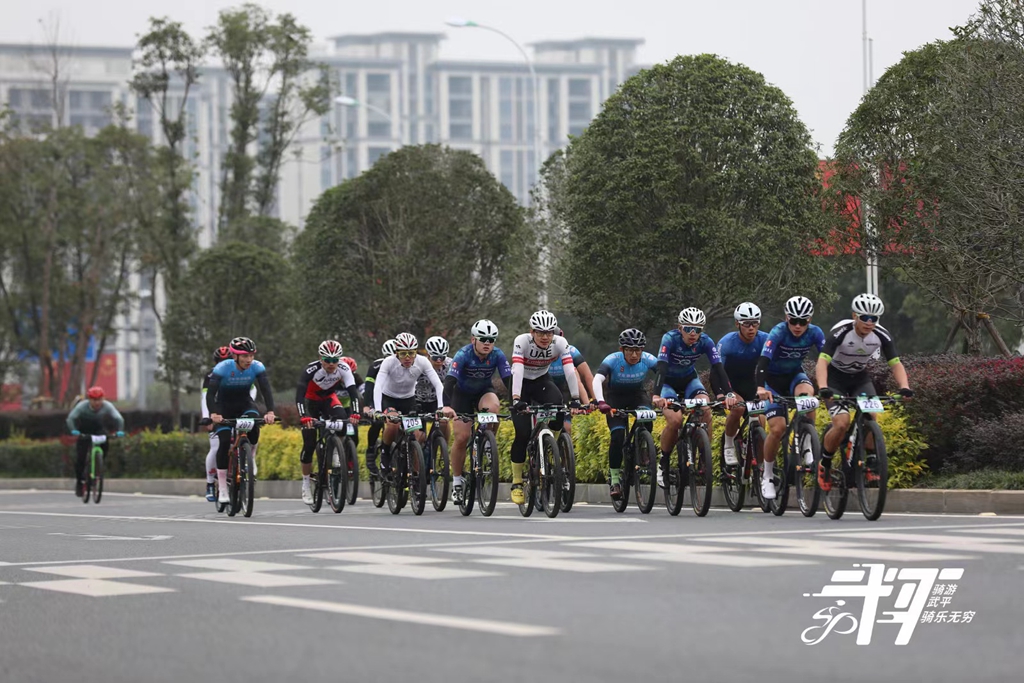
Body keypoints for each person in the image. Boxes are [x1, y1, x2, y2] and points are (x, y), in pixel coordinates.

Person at [815, 293, 913, 490]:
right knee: (842, 423)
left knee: (871, 415)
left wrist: (905, 387)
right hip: (835, 379)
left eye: (874, 319)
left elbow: (895, 363)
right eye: (865, 318)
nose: (869, 323)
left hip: (859, 378)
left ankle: (870, 459)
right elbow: (822, 361)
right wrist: (823, 387)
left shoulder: (881, 335)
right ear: (855, 316)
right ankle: (824, 463)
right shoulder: (841, 332)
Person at [754, 296, 825, 500]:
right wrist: (759, 387)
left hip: (795, 376)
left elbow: (826, 360)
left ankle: (806, 442)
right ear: (786, 317)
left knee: (808, 397)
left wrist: (828, 385)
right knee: (777, 429)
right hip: (772, 382)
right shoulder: (778, 332)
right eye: (793, 320)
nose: (797, 326)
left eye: (803, 322)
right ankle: (767, 475)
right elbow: (763, 361)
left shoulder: (815, 333)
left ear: (809, 320)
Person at [651, 307, 731, 488]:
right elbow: (661, 368)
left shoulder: (705, 341)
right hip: (668, 384)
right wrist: (656, 395)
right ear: (680, 328)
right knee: (675, 421)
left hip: (689, 381)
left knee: (705, 409)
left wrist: (729, 393)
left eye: (698, 329)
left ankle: (704, 457)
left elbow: (718, 368)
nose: (693, 333)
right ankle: (663, 463)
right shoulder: (669, 339)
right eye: (688, 328)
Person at [509, 310, 582, 505]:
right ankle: (517, 482)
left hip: (542, 381)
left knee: (559, 407)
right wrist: (516, 399)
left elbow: (569, 369)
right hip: (521, 385)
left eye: (549, 333)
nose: (545, 337)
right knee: (523, 433)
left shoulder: (560, 343)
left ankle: (552, 446)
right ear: (531, 332)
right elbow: (517, 370)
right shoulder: (522, 341)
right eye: (540, 332)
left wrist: (575, 398)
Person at [443, 319, 512, 504]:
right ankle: (457, 482)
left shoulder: (497, 354)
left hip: (483, 392)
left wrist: (517, 402)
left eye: (491, 339)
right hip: (462, 395)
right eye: (483, 339)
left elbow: (508, 380)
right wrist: (447, 405)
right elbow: (449, 381)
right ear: (473, 339)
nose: (487, 343)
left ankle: (488, 442)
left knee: (494, 407)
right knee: (462, 437)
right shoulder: (463, 355)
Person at [206, 337, 276, 505]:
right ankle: (222, 487)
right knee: (223, 442)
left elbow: (266, 390)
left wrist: (270, 411)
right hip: (223, 407)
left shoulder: (257, 367)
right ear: (235, 356)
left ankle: (249, 457)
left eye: (251, 355)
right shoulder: (222, 368)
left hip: (245, 404)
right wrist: (214, 413)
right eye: (244, 356)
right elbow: (210, 394)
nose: (249, 360)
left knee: (254, 427)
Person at [372, 333, 455, 473]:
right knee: (393, 425)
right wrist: (378, 410)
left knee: (417, 436)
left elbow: (438, 385)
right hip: (389, 398)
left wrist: (441, 407)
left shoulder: (422, 361)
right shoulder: (388, 362)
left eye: (411, 353)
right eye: (403, 353)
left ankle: (415, 474)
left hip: (409, 400)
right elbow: (378, 386)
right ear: (396, 353)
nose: (408, 357)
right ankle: (385, 453)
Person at [593, 328, 659, 499]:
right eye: (630, 350)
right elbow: (597, 379)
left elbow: (664, 375)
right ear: (622, 349)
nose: (635, 355)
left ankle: (644, 446)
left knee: (648, 416)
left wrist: (665, 394)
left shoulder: (648, 359)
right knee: (617, 437)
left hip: (638, 395)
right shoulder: (612, 360)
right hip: (615, 398)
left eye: (638, 350)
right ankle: (615, 479)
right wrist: (601, 402)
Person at [296, 340, 362, 505]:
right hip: (311, 402)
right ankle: (305, 484)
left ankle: (335, 453)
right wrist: (303, 415)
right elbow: (299, 395)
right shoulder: (311, 370)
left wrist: (355, 413)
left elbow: (353, 393)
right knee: (309, 443)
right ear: (320, 358)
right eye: (328, 360)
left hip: (329, 399)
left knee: (343, 422)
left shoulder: (344, 368)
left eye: (335, 360)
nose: (332, 364)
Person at [716, 303, 769, 466]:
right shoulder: (727, 342)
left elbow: (775, 366)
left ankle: (760, 470)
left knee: (760, 420)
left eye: (755, 323)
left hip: (754, 386)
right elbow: (716, 370)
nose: (751, 328)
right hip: (732, 386)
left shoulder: (765, 339)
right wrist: (721, 392)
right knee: (738, 408)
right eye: (746, 324)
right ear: (737, 324)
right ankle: (729, 444)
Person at [66, 386, 125, 497]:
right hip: (84, 430)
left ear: (103, 399)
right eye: (94, 400)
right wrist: (74, 430)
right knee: (80, 458)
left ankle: (98, 467)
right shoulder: (82, 407)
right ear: (89, 399)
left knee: (105, 444)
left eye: (99, 399)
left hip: (99, 429)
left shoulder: (107, 406)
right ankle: (80, 482)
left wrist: (120, 431)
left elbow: (119, 418)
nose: (97, 403)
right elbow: (71, 418)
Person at [547, 328, 594, 435]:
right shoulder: (537, 352)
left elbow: (584, 378)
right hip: (544, 390)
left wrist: (589, 403)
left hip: (564, 391)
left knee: (567, 428)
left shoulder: (570, 351)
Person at [201, 346, 232, 501]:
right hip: (216, 411)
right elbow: (205, 397)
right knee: (215, 447)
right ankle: (210, 483)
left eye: (227, 361)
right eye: (221, 361)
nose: (223, 364)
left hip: (234, 409)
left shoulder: (239, 371)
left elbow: (251, 391)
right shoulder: (211, 375)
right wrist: (207, 417)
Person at [362, 339, 396, 474]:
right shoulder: (376, 366)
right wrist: (367, 406)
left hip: (396, 398)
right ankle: (371, 450)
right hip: (378, 399)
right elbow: (369, 387)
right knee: (377, 422)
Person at [415, 336, 453, 444]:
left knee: (444, 421)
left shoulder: (450, 364)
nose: (439, 360)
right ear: (428, 355)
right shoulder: (419, 365)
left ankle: (438, 447)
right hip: (417, 401)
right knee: (419, 437)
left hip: (436, 401)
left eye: (442, 357)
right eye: (435, 357)